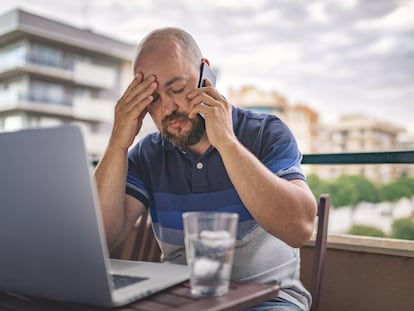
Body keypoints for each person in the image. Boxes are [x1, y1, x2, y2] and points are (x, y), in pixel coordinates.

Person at [94, 27, 317, 311]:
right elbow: (100, 238)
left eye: (177, 88)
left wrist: (226, 142)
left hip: (269, 300)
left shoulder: (266, 133)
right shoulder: (148, 154)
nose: (169, 108)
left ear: (205, 75)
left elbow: (299, 229)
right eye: (153, 99)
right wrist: (117, 144)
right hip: (183, 300)